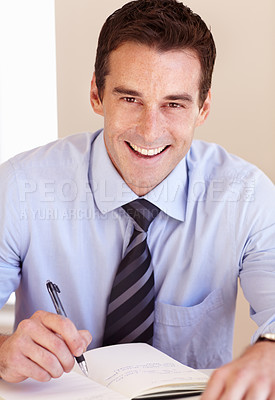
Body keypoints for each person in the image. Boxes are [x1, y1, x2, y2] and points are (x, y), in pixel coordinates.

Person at [0, 0, 275, 398]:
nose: (149, 131)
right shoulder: (19, 186)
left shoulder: (246, 196)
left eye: (174, 104)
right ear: (97, 95)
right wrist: (4, 350)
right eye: (130, 99)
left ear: (204, 107)